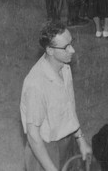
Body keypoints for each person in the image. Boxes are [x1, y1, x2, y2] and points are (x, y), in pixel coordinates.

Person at [20, 21, 92, 171]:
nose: (72, 50)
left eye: (71, 43)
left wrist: (80, 139)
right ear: (50, 50)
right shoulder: (36, 84)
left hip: (67, 140)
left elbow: (69, 107)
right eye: (66, 47)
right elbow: (33, 136)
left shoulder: (64, 66)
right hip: (45, 149)